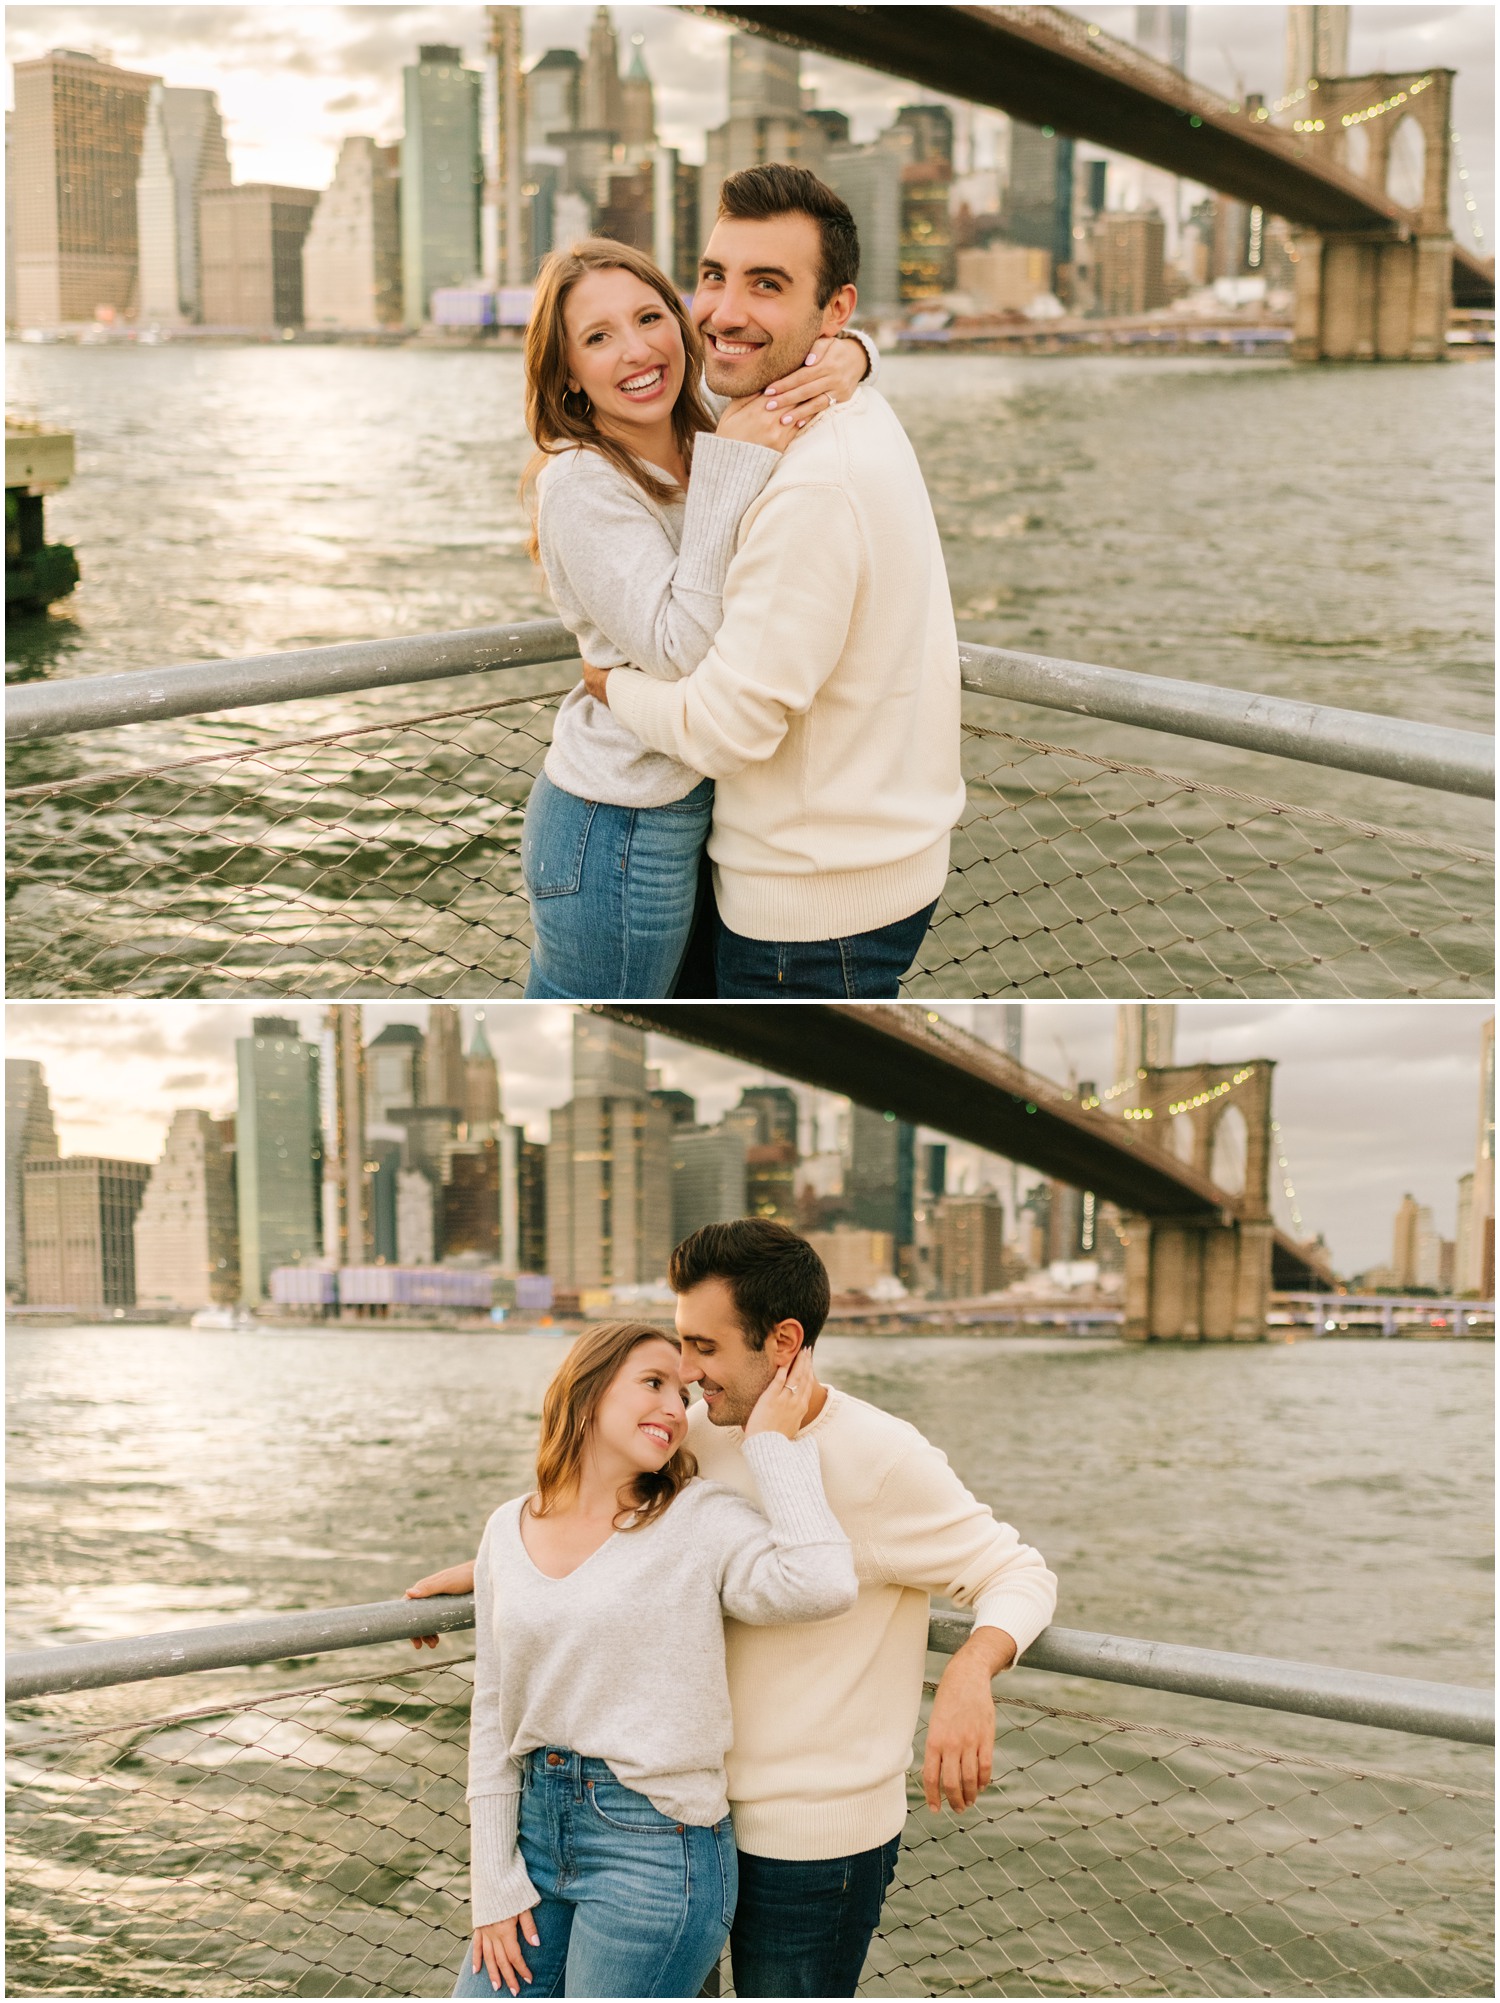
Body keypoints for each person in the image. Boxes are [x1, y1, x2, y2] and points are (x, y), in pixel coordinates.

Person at [410, 1225, 1057, 1999]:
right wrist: (496, 1569)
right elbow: (622, 1534)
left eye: (703, 1347)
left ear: (783, 1341)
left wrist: (970, 1669)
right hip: (673, 1817)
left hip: (809, 1846)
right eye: (678, 1352)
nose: (686, 1376)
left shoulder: (884, 1457)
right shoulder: (694, 1437)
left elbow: (1014, 1569)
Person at [580, 165, 966, 999]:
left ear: (834, 312)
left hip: (808, 910)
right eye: (714, 277)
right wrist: (860, 358)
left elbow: (724, 731)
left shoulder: (810, 482)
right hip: (866, 865)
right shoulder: (838, 406)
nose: (723, 311)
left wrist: (608, 685)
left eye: (767, 285)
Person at [452, 1317, 856, 2000]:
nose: (677, 1405)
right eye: (653, 1382)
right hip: (535, 1836)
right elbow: (493, 1708)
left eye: (683, 1389)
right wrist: (492, 1880)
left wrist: (771, 1442)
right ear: (586, 1393)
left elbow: (823, 1582)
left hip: (657, 1845)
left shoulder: (700, 1518)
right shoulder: (506, 1526)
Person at [518, 236, 873, 1001]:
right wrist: (728, 471)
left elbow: (810, 353)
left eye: (650, 317)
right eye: (598, 338)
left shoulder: (708, 426)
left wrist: (853, 356)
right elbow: (683, 652)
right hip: (614, 824)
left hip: (695, 809)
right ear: (569, 375)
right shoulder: (580, 483)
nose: (637, 350)